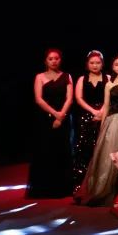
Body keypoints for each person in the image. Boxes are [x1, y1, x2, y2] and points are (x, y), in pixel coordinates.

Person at [75, 53, 118, 206]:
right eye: (116, 64)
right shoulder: (109, 85)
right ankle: (107, 190)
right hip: (112, 121)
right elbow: (106, 106)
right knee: (109, 156)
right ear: (112, 67)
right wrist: (103, 125)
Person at [28, 48, 75, 198]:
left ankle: (63, 187)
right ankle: (45, 188)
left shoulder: (67, 76)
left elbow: (69, 99)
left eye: (56, 58)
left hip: (63, 117)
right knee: (45, 151)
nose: (54, 61)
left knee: (62, 150)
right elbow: (38, 99)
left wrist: (61, 116)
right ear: (45, 61)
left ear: (60, 60)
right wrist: (55, 114)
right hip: (45, 119)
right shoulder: (40, 77)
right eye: (50, 59)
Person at [72, 50, 107, 188]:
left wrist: (101, 111)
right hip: (87, 116)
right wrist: (93, 111)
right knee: (85, 148)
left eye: (98, 63)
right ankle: (83, 184)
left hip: (104, 115)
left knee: (103, 147)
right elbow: (79, 98)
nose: (95, 65)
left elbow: (110, 97)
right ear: (87, 64)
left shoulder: (108, 78)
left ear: (102, 64)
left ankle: (103, 182)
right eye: (92, 63)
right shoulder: (82, 79)